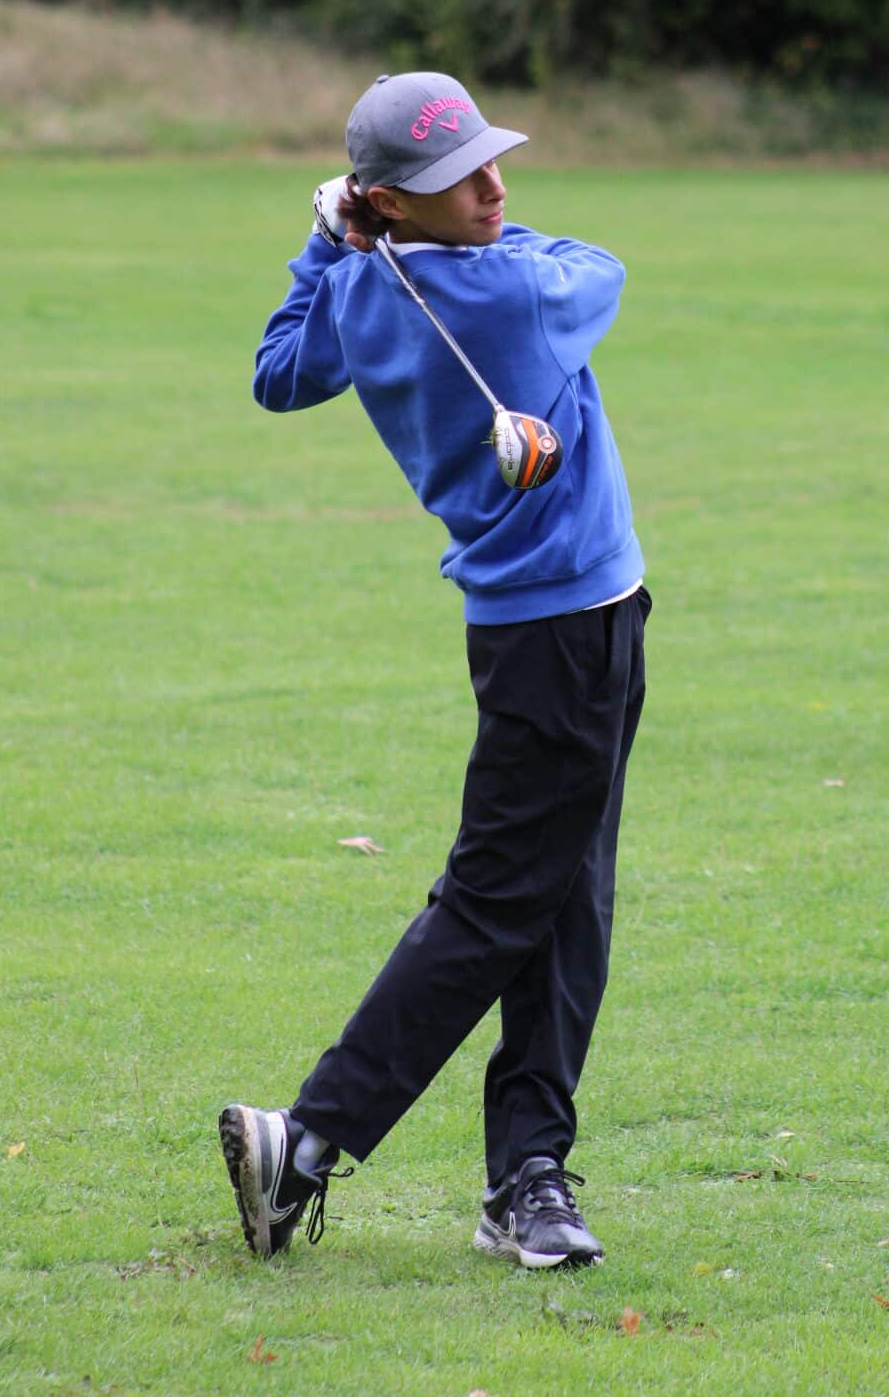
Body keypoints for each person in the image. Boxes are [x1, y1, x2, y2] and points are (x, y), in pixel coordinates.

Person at [219, 70, 650, 1270]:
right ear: (393, 200)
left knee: (564, 898)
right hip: (568, 635)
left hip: (531, 629)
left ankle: (526, 1177)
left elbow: (279, 372)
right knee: (503, 901)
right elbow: (600, 269)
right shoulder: (511, 295)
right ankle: (307, 1139)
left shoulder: (361, 288)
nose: (491, 188)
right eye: (456, 178)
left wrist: (328, 246)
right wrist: (373, 238)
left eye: (488, 159)